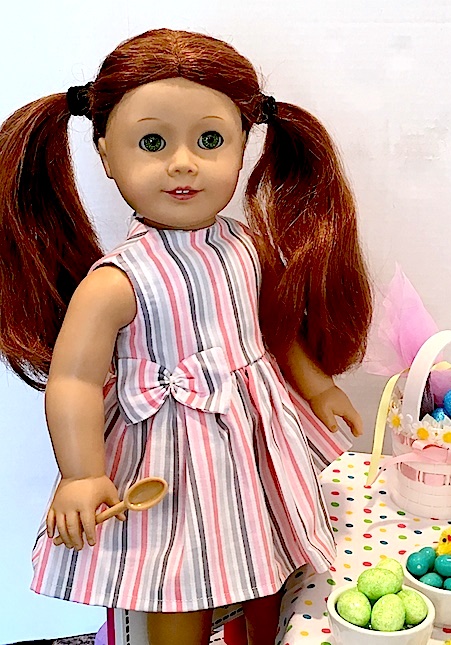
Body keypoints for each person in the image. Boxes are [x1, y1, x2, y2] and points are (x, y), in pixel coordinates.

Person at [0, 28, 372, 645]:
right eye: (152, 142)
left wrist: (317, 385)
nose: (182, 162)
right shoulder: (117, 282)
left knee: (265, 547)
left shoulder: (244, 245)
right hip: (164, 450)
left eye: (210, 140)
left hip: (254, 436)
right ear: (106, 154)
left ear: (245, 146)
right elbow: (74, 380)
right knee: (175, 569)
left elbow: (272, 329)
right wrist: (82, 474)